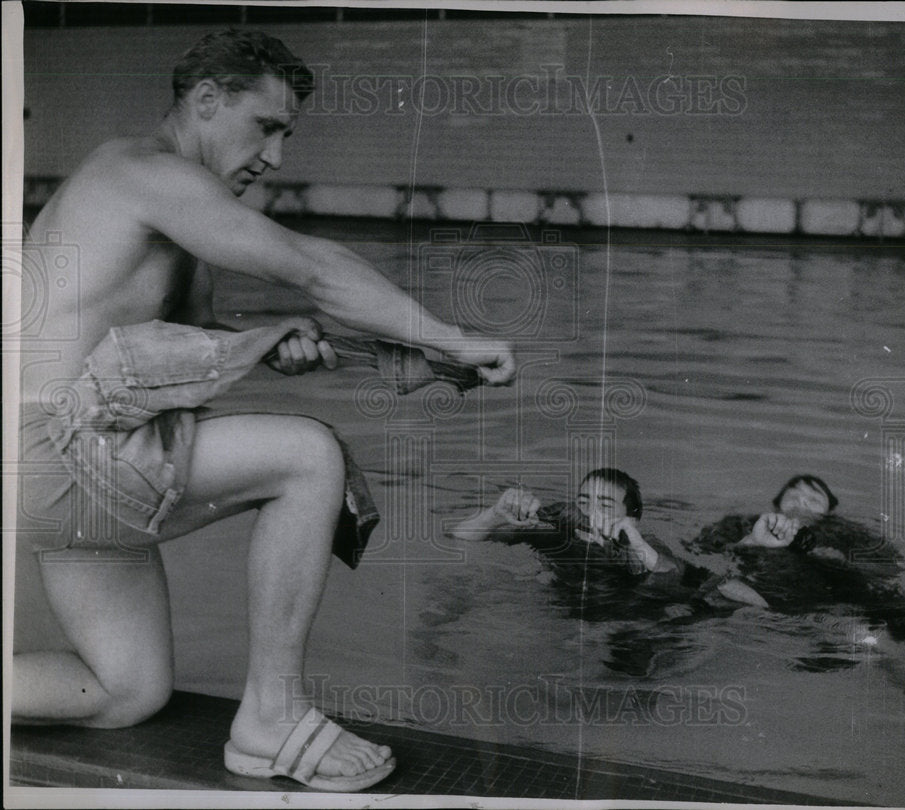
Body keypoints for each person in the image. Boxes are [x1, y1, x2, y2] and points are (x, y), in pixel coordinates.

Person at [14, 29, 515, 792]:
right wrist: (449, 335)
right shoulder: (146, 173)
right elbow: (314, 266)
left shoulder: (147, 188)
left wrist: (307, 346)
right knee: (309, 456)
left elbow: (191, 347)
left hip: (62, 461)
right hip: (58, 458)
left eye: (287, 135)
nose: (275, 156)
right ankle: (271, 719)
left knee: (124, 692)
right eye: (267, 127)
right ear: (207, 100)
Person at [452, 468, 767, 608]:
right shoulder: (558, 531)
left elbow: (699, 578)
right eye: (584, 501)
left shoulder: (639, 544)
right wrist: (495, 512)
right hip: (569, 608)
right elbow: (460, 536)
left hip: (636, 611)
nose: (590, 513)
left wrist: (764, 612)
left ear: (630, 518)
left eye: (604, 505)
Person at [686, 475, 905, 648]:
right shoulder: (744, 523)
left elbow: (888, 568)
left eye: (814, 498)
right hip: (769, 600)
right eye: (793, 495)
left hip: (838, 598)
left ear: (829, 511)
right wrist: (751, 541)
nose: (801, 502)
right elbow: (700, 553)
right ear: (777, 504)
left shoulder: (850, 532)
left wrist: (829, 555)